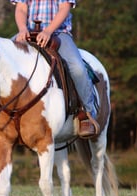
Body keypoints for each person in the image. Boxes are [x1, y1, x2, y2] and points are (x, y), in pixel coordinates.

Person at [11, 0, 99, 138]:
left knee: (77, 68)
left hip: (58, 33)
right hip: (28, 33)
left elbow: (64, 8)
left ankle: (87, 113)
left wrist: (47, 31)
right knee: (0, 55)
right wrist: (22, 29)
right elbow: (21, 8)